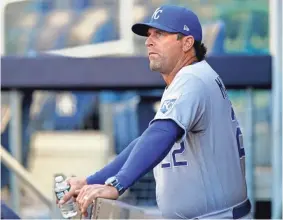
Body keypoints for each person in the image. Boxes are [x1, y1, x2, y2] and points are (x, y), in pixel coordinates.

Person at [58, 5, 252, 219]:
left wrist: (117, 184)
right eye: (149, 35)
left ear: (187, 43)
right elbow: (146, 141)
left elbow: (161, 133)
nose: (148, 41)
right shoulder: (191, 78)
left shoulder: (192, 78)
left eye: (160, 34)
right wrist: (90, 181)